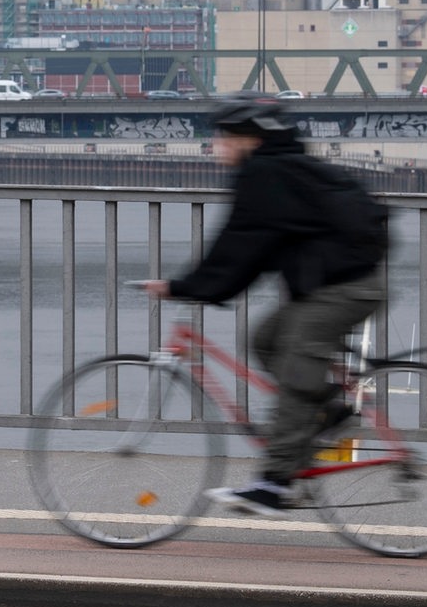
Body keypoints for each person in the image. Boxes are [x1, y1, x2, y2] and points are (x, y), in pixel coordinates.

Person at [143, 97, 387, 517]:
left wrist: (184, 287)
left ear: (248, 140)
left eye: (223, 137)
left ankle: (274, 484)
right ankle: (327, 410)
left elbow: (239, 245)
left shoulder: (265, 173)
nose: (217, 145)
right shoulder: (280, 168)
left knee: (295, 368)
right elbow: (251, 250)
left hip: (346, 287)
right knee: (266, 339)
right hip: (337, 283)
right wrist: (204, 286)